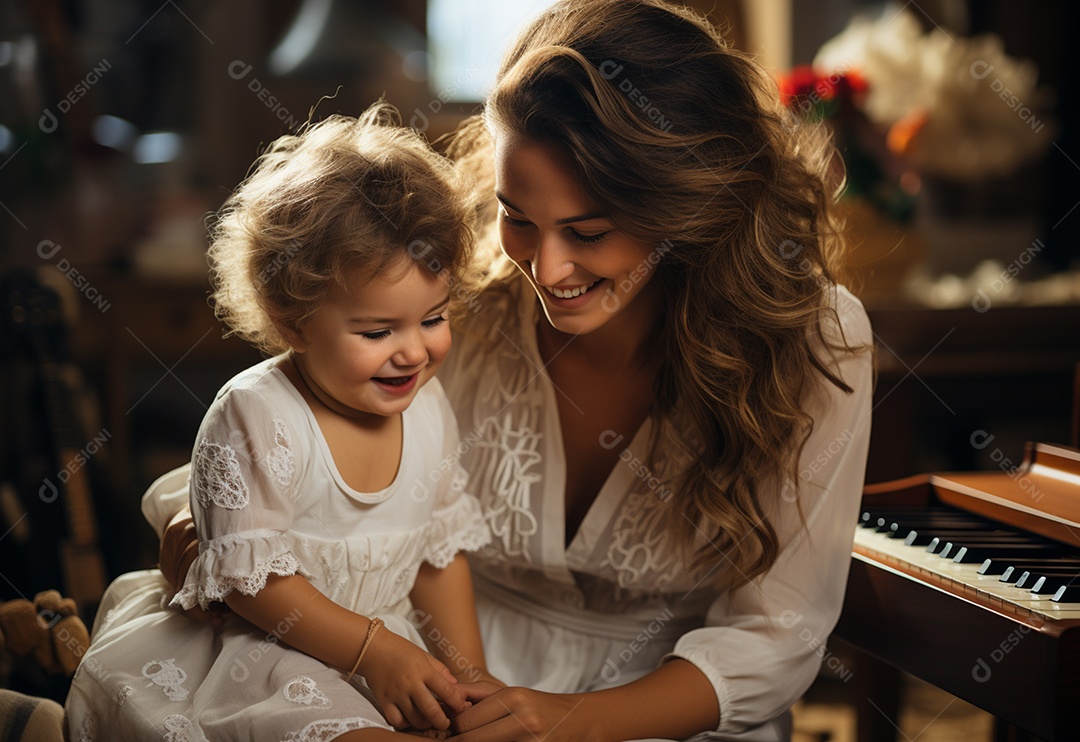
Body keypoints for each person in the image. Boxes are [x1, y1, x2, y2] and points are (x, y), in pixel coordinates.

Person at [154, 1, 874, 739]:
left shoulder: (811, 338)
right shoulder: (455, 298)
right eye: (517, 215)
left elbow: (778, 633)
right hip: (437, 676)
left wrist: (570, 721)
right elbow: (298, 438)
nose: (547, 267)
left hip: (669, 710)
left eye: (588, 232)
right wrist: (205, 525)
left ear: (688, 210)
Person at [64, 102, 494, 740]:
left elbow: (438, 559)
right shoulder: (258, 414)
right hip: (263, 652)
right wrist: (374, 652)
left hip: (384, 649)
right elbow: (252, 586)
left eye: (433, 318)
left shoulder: (428, 409)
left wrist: (471, 679)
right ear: (293, 320)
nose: (413, 350)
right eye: (378, 330)